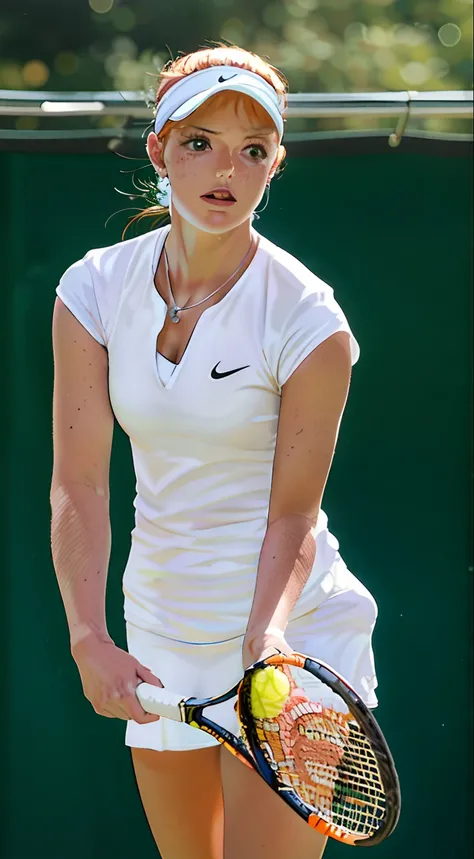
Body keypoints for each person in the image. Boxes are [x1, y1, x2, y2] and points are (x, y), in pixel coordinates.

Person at [50, 43, 378, 859]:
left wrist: (266, 643)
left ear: (276, 165)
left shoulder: (310, 322)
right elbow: (79, 486)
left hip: (286, 630)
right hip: (160, 626)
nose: (225, 168)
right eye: (200, 142)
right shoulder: (90, 290)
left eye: (253, 150)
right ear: (159, 150)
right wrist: (88, 634)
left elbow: (294, 513)